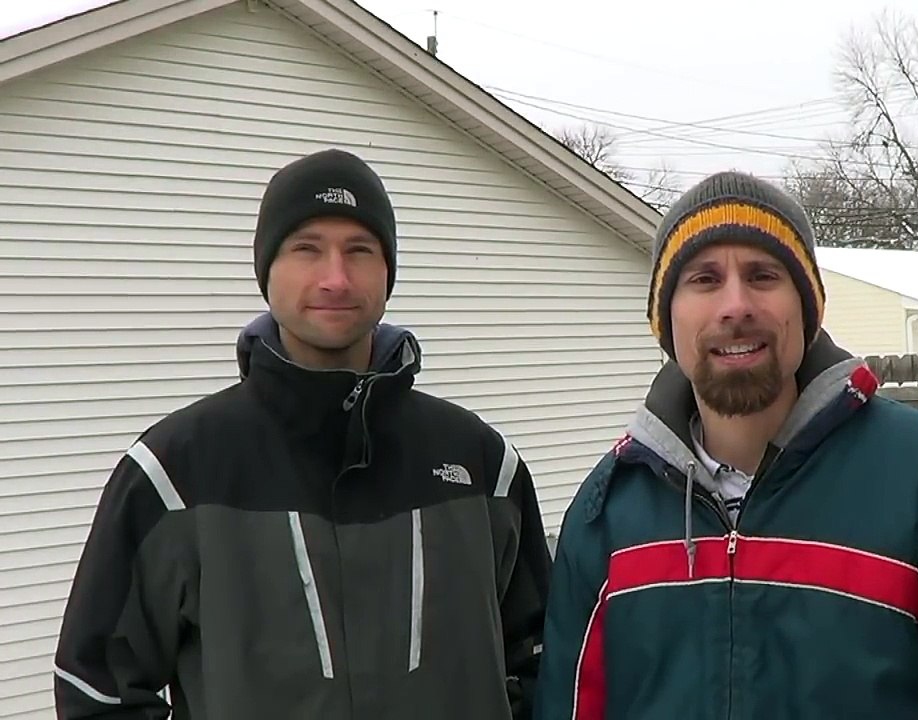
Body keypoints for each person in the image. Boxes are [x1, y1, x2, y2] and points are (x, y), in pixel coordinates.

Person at [534, 171, 918, 719]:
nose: (735, 306)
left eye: (763, 276)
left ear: (807, 309)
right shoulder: (606, 514)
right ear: (666, 319)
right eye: (704, 280)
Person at [53, 148, 551, 719]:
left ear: (387, 270)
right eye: (306, 248)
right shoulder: (175, 474)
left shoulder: (481, 464)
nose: (335, 277)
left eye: (359, 250)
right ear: (268, 270)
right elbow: (98, 692)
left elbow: (547, 663)